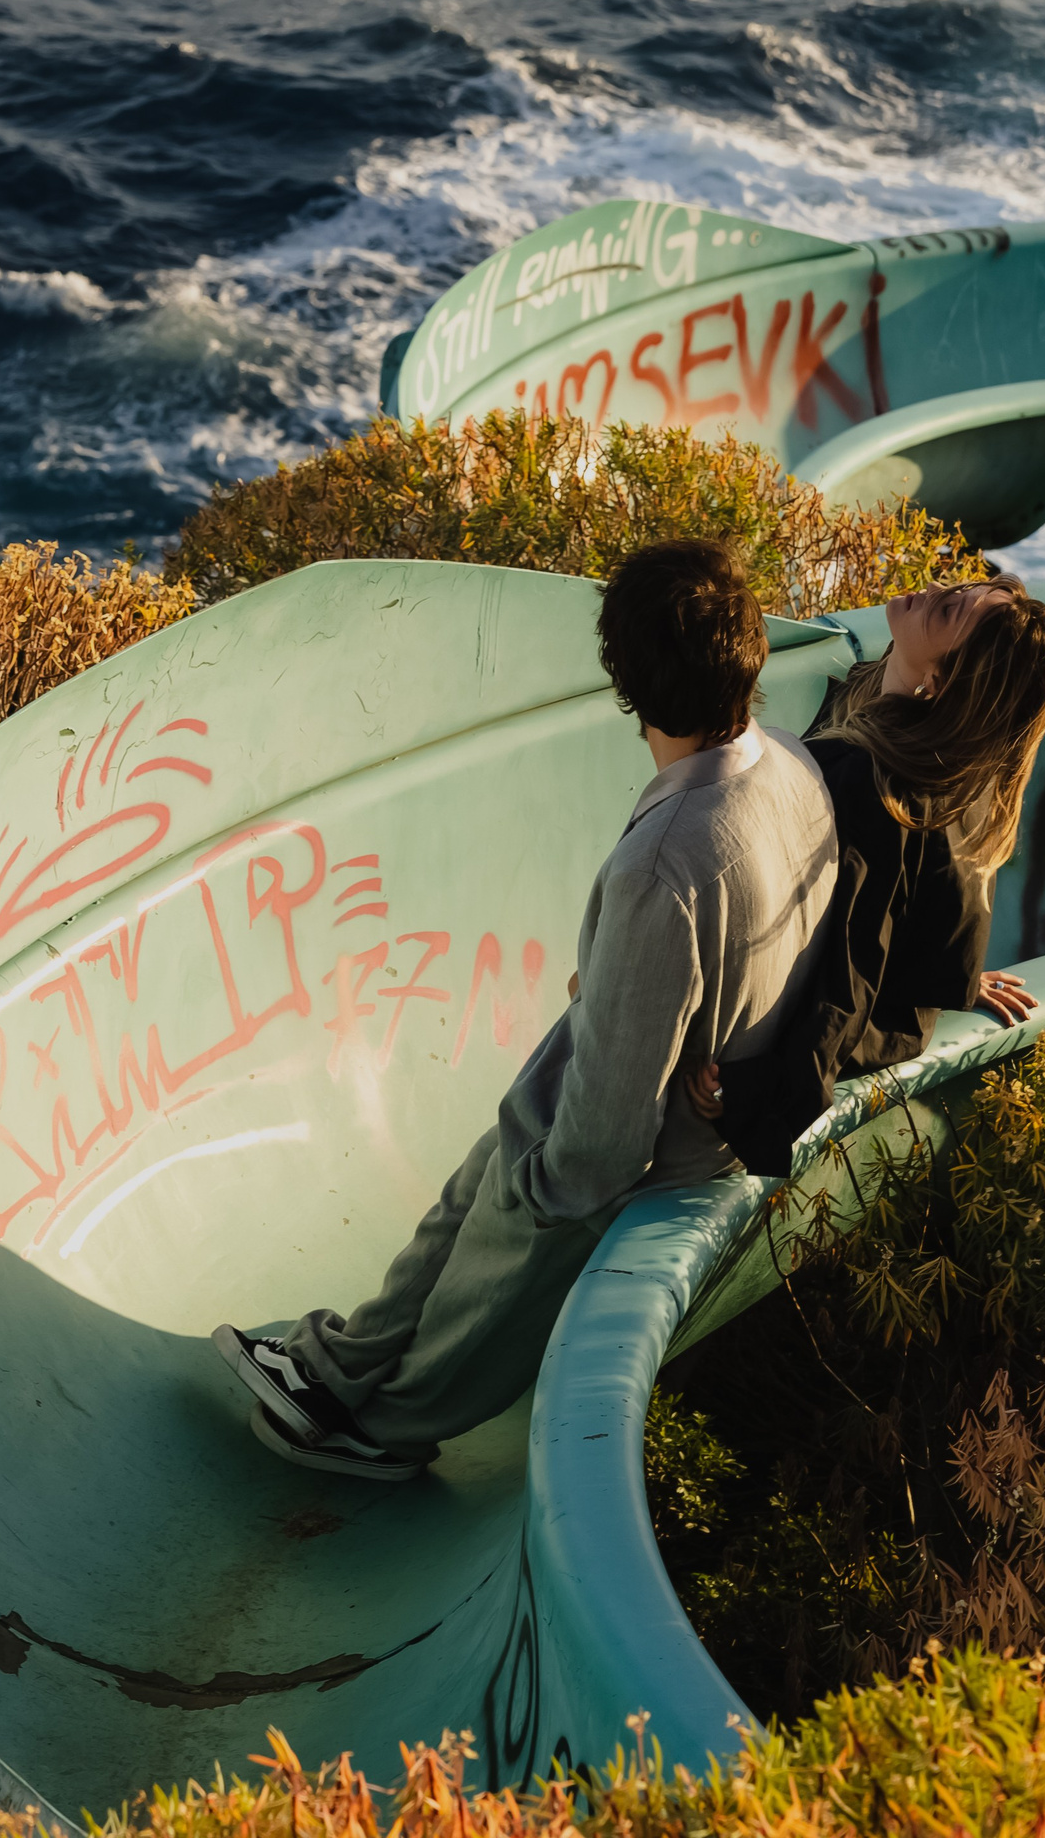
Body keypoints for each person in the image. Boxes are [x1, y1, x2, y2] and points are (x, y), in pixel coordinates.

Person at [214, 536, 840, 1483]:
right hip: (717, 1090)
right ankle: (337, 1365)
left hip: (662, 1142)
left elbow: (602, 1140)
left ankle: (382, 1430)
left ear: (624, 680)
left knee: (512, 1191)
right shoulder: (791, 767)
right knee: (490, 1162)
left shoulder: (664, 861)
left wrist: (535, 1192)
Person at [696, 571, 1045, 1172]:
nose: (936, 588)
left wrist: (748, 1093)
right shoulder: (939, 762)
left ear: (940, 681)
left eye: (949, 609)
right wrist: (950, 979)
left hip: (726, 1054)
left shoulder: (875, 789)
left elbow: (847, 980)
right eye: (959, 587)